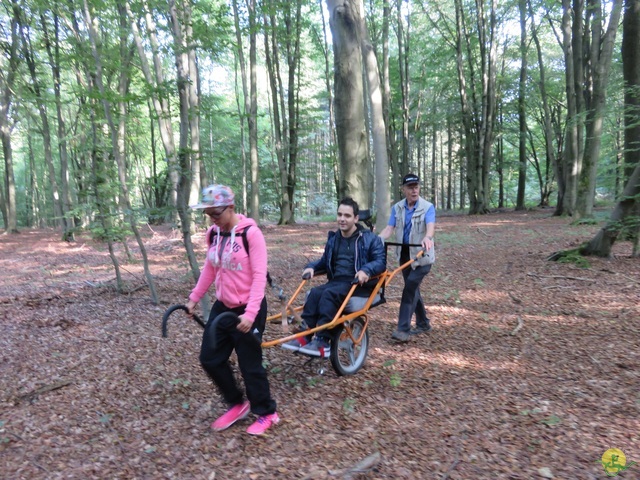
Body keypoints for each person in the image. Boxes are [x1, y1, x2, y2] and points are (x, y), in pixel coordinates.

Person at [186, 184, 278, 435]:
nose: (213, 219)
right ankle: (237, 403)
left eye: (216, 213)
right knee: (209, 358)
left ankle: (267, 412)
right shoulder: (214, 234)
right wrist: (195, 297)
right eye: (208, 214)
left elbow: (260, 276)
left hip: (249, 307)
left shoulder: (251, 234)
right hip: (223, 306)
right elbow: (210, 267)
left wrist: (250, 314)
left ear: (231, 208)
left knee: (250, 365)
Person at [282, 197, 386, 357]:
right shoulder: (334, 239)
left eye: (347, 215)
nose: (342, 219)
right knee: (316, 293)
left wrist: (366, 270)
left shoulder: (370, 239)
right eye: (340, 215)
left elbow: (380, 262)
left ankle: (323, 342)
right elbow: (324, 261)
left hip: (358, 285)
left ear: (356, 218)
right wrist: (311, 267)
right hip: (338, 282)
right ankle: (306, 335)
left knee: (329, 295)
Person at [378, 173, 436, 343]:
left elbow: (430, 227)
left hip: (422, 256)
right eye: (410, 187)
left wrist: (427, 238)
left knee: (410, 288)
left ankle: (403, 329)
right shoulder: (397, 208)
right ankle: (423, 323)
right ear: (403, 189)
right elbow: (389, 229)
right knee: (413, 288)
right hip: (405, 256)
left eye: (416, 187)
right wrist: (377, 239)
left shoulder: (427, 207)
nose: (414, 190)